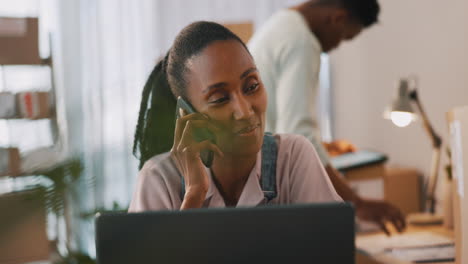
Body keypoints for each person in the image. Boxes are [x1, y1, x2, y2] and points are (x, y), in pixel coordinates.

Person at [129, 21, 341, 211]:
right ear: (186, 114)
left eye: (252, 86)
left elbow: (333, 249)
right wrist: (194, 194)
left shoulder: (292, 158)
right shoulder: (159, 181)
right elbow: (159, 257)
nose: (244, 111)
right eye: (220, 98)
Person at [248, 0, 406, 235]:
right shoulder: (302, 41)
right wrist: (356, 203)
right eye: (344, 38)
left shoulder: (279, 25)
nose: (335, 47)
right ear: (338, 18)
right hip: (265, 190)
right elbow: (298, 135)